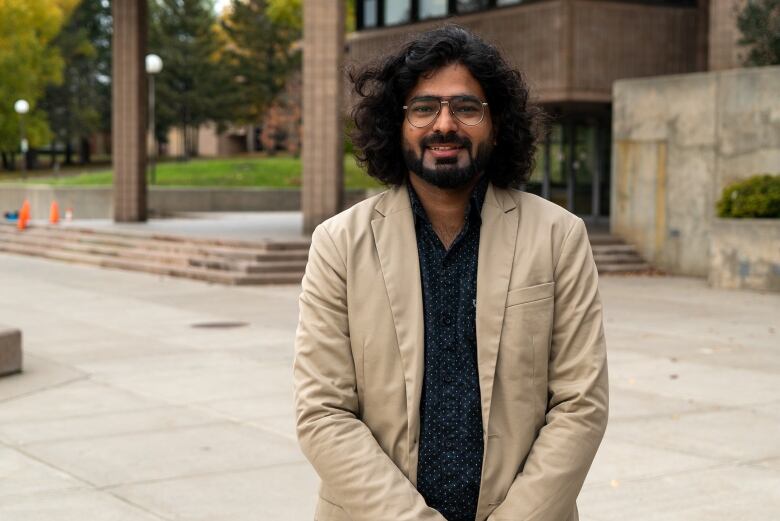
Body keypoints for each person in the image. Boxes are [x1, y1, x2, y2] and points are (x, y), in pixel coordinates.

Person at [293, 25, 608, 521]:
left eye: (466, 107)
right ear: (395, 126)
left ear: (497, 123)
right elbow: (323, 413)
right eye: (423, 108)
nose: (444, 125)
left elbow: (580, 405)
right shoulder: (339, 244)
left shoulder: (558, 236)